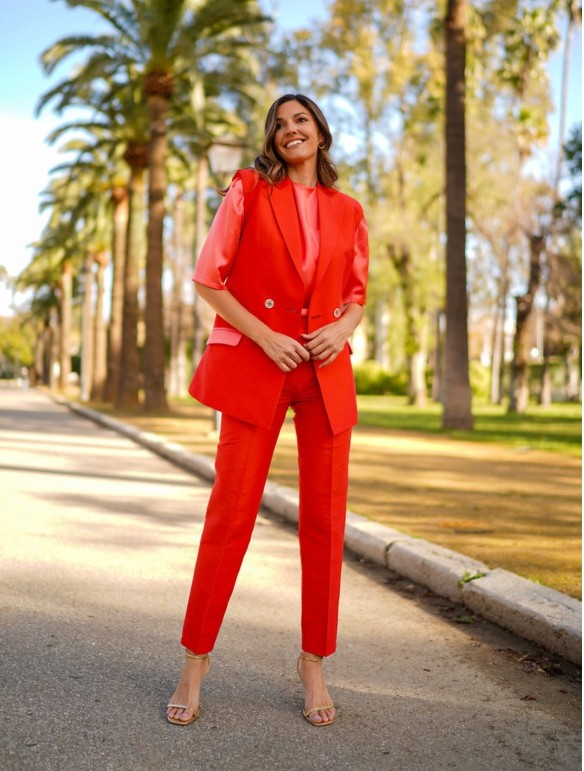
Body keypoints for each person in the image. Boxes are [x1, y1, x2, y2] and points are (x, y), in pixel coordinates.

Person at [167, 93, 369, 728]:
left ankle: (314, 664)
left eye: (301, 120)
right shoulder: (249, 190)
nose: (290, 130)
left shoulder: (349, 210)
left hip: (325, 374)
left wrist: (344, 329)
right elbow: (208, 279)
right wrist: (265, 335)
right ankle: (194, 664)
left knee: (325, 522)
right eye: (279, 125)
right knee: (230, 515)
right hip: (260, 365)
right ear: (272, 140)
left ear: (321, 133)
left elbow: (357, 294)